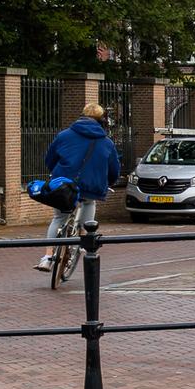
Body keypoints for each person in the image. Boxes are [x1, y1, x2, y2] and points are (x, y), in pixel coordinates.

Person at [32, 103, 124, 271]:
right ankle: (84, 240)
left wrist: (57, 176)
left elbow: (49, 159)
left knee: (59, 218)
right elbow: (114, 169)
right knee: (89, 203)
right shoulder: (107, 142)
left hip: (64, 186)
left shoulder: (64, 135)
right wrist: (110, 182)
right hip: (90, 187)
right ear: (101, 120)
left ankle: (47, 258)